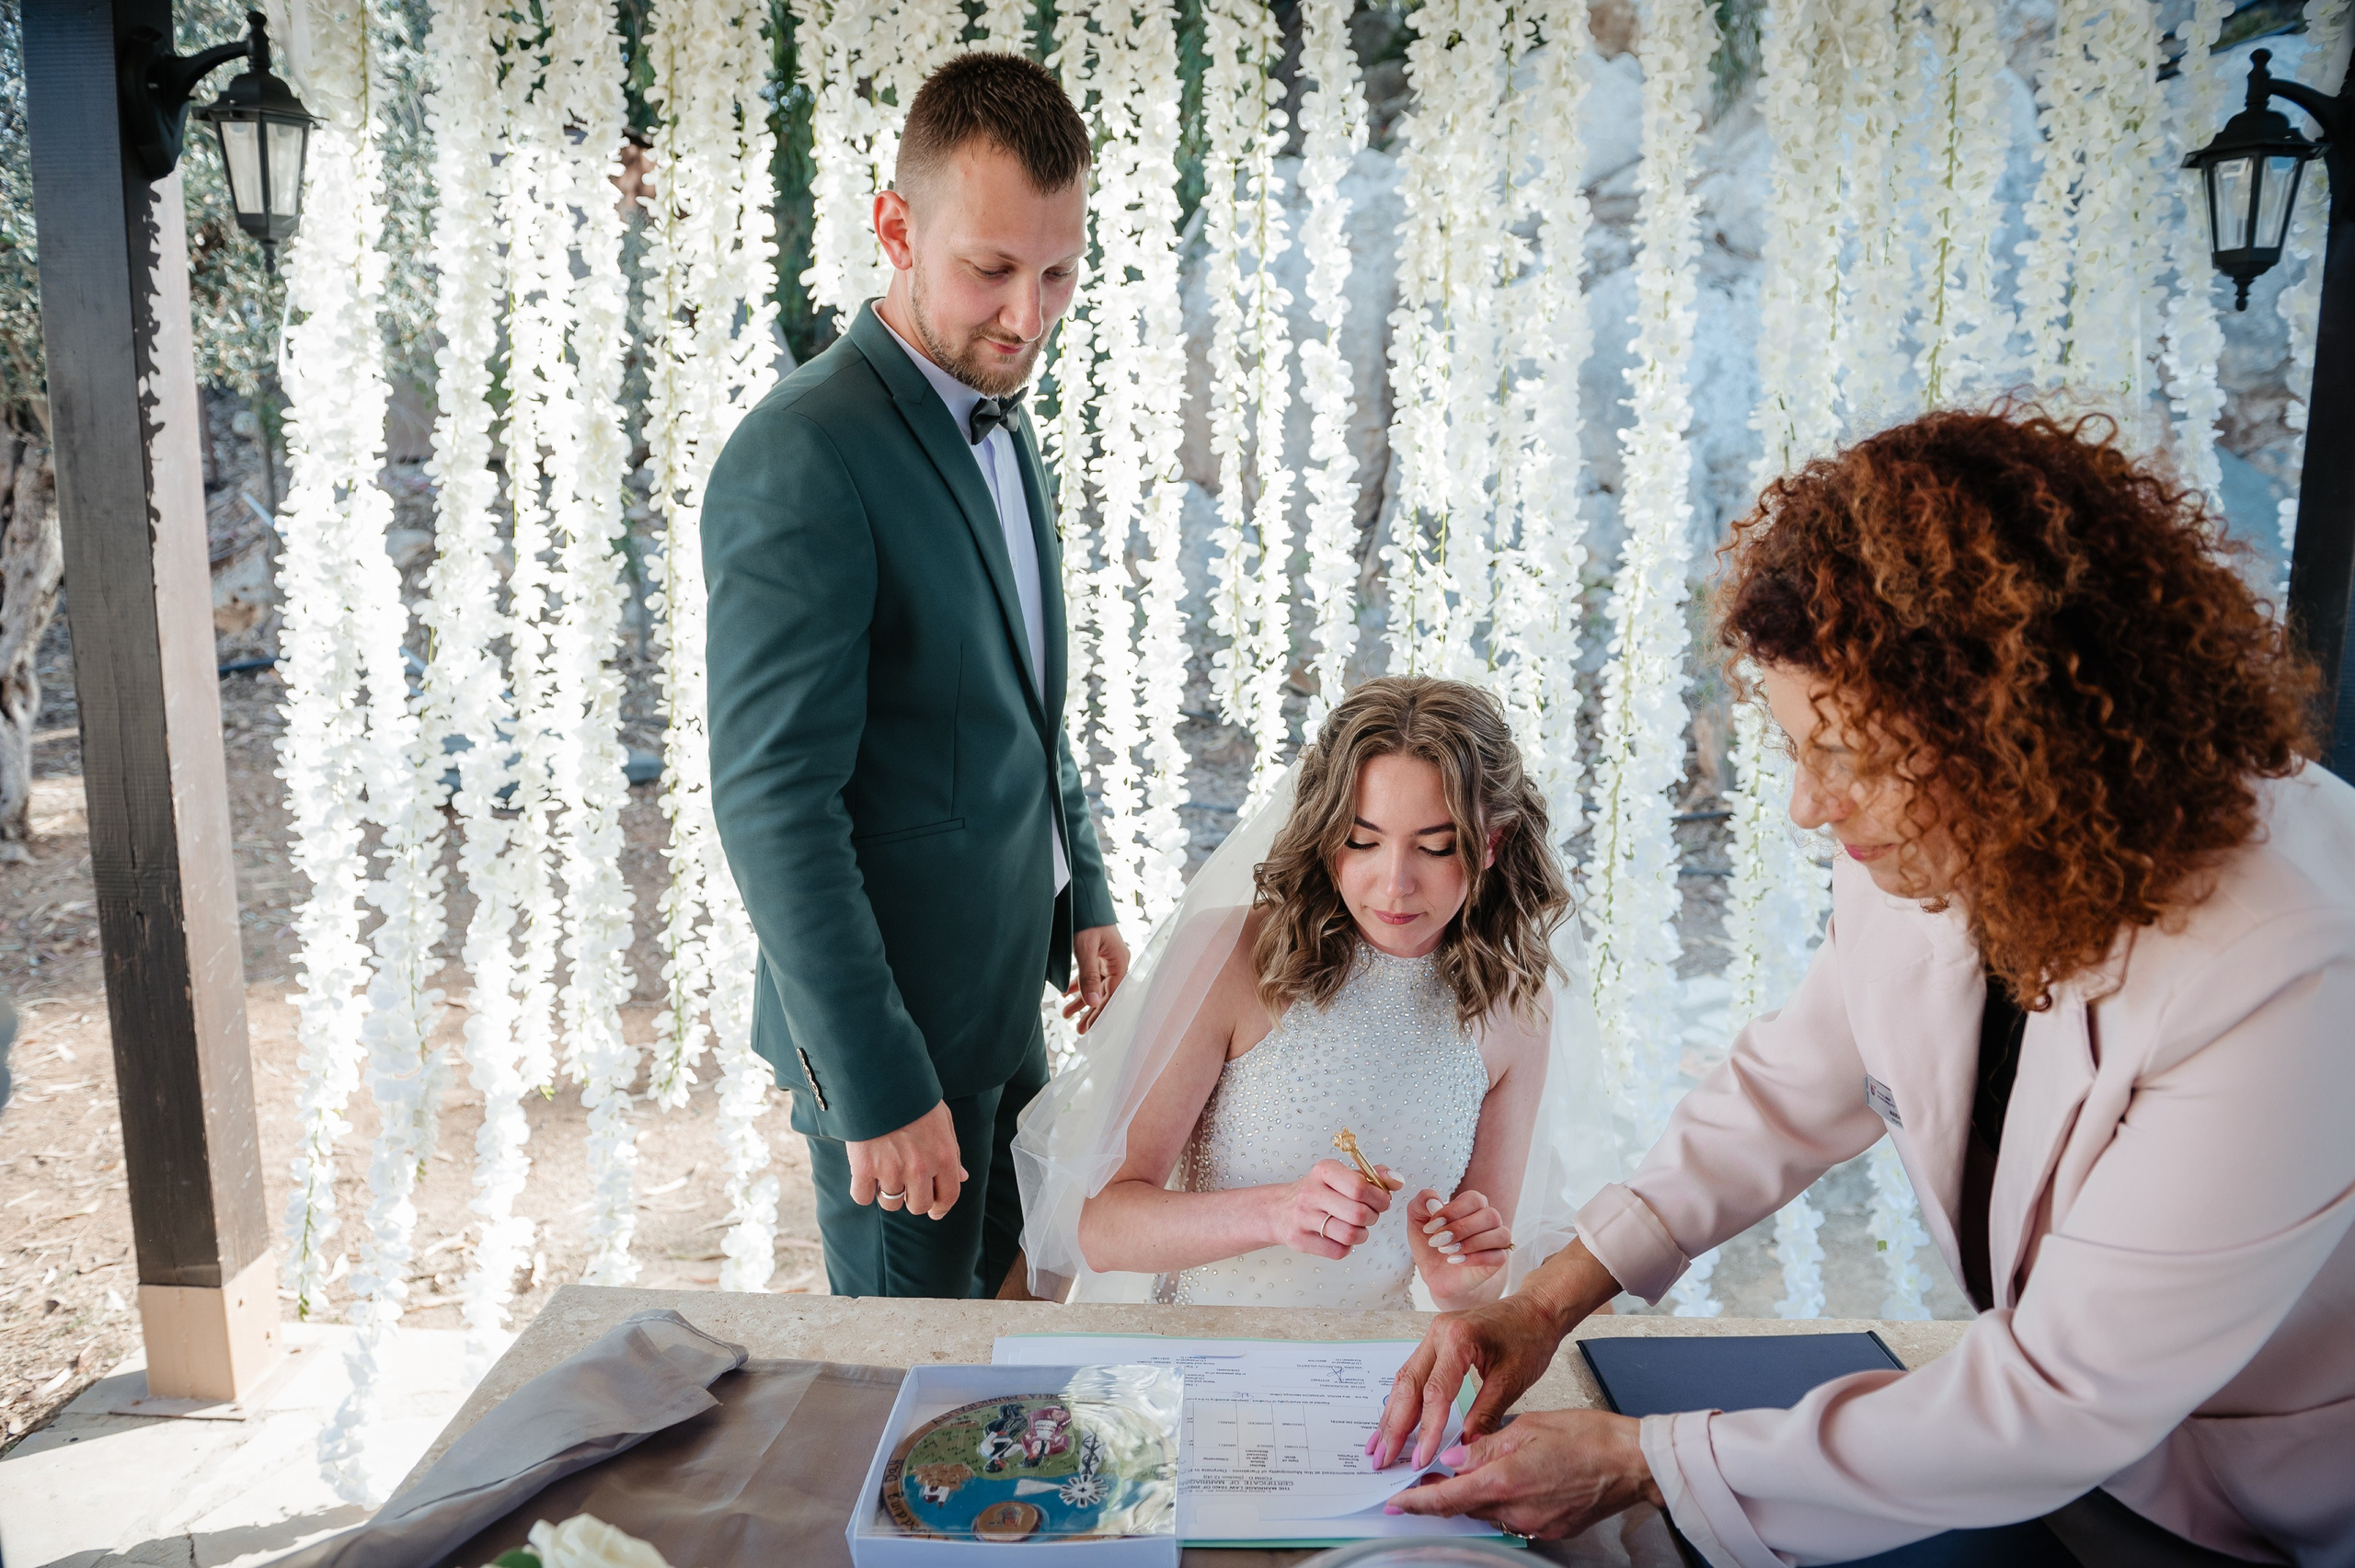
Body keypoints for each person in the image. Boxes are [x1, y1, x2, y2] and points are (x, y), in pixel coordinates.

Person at [1372, 409, 2355, 1564]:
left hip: (2260, 1496)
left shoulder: (2291, 962)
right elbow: (1790, 1089)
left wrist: (1646, 1457)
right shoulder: (1950, 829)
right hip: (2065, 1453)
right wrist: (1544, 1302)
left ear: (2015, 729)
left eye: (1852, 760)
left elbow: (2053, 1396)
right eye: (1799, 749)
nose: (1810, 807)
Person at [704, 53, 1128, 1299]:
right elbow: (776, 801)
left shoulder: (1003, 414)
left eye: (1058, 272)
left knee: (1021, 1354)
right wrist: (880, 1089)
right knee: (909, 1414)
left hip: (1005, 1000)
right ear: (895, 226)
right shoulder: (804, 456)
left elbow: (1022, 696)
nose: (1028, 312)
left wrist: (1082, 890)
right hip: (898, 1051)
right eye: (991, 268)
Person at [1015, 677, 1621, 1310]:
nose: (1395, 884)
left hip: (1376, 1376)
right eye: (1363, 841)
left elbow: (1480, 1276)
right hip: (1199, 1361)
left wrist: (1460, 1283)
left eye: (1436, 846)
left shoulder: (1516, 1007)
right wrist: (1276, 1211)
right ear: (1330, 836)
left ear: (1490, 843)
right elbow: (1104, 1227)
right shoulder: (1233, 955)